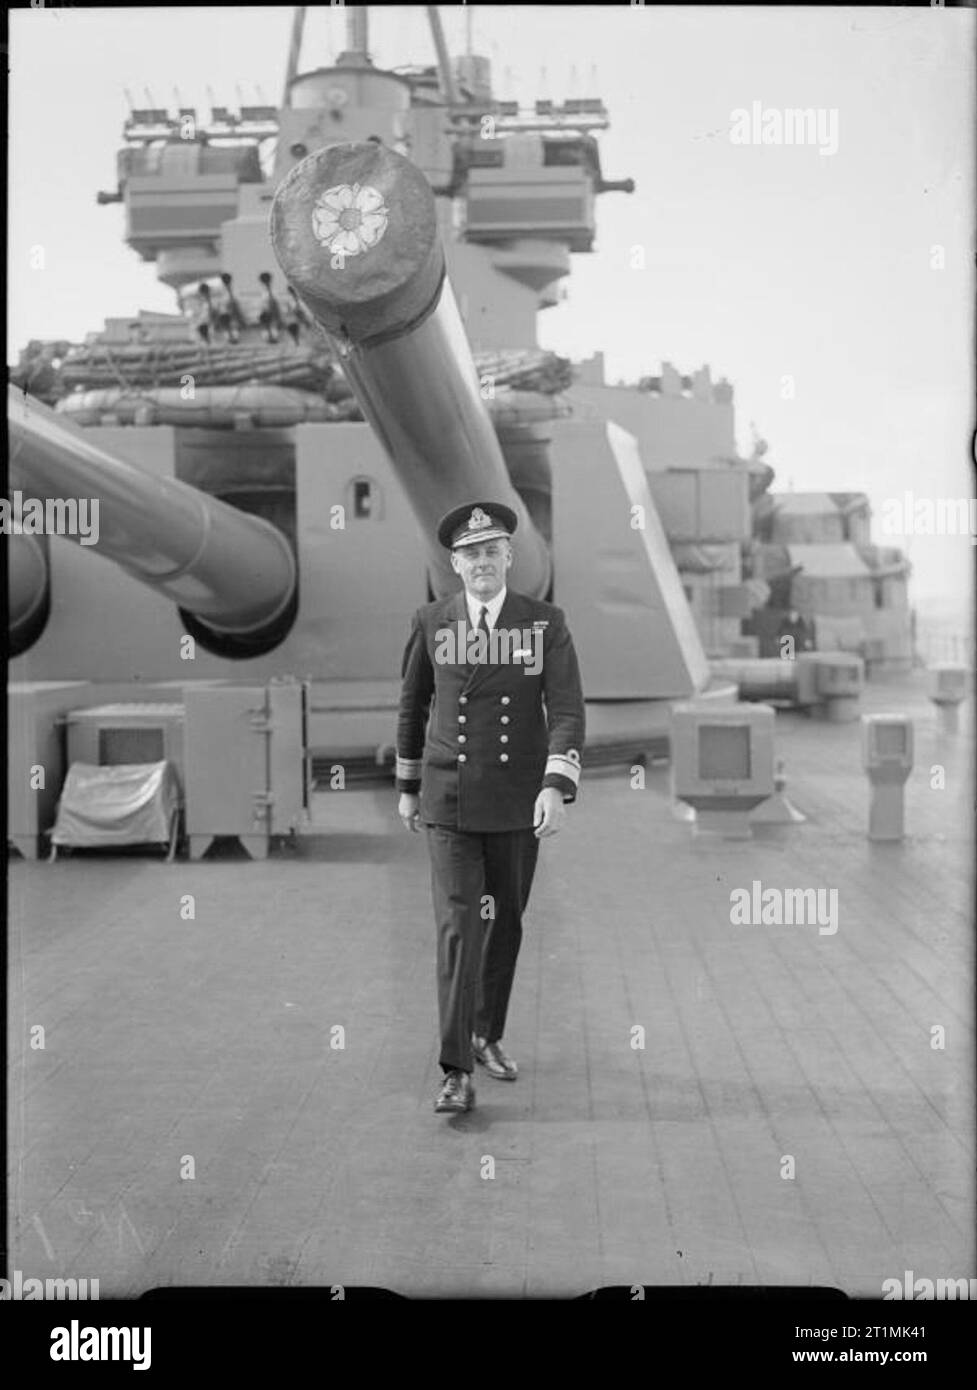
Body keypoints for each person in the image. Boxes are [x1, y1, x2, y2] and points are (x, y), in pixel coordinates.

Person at [396, 502, 585, 1114]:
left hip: (515, 800)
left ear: (510, 558)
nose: (481, 562)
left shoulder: (544, 624)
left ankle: (487, 1034)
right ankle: (455, 1070)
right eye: (470, 553)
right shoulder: (432, 621)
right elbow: (412, 705)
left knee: (506, 923)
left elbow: (567, 711)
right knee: (458, 928)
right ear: (454, 563)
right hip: (448, 800)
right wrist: (406, 784)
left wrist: (554, 786)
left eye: (491, 551)